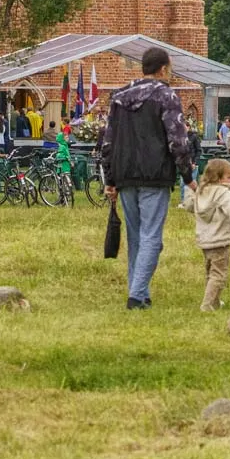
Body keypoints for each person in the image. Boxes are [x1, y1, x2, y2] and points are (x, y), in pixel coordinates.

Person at [96, 45, 195, 309]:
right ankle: (136, 295)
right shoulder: (166, 96)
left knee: (136, 236)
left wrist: (110, 179)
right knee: (152, 236)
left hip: (125, 172)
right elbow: (178, 139)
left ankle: (139, 291)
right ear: (164, 68)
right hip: (155, 172)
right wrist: (187, 175)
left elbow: (108, 141)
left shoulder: (118, 97)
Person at [187, 157, 230, 312]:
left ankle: (215, 302)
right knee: (219, 275)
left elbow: (190, 205)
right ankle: (207, 304)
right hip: (220, 240)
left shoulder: (202, 191)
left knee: (211, 273)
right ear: (217, 178)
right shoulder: (223, 193)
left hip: (205, 240)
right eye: (229, 178)